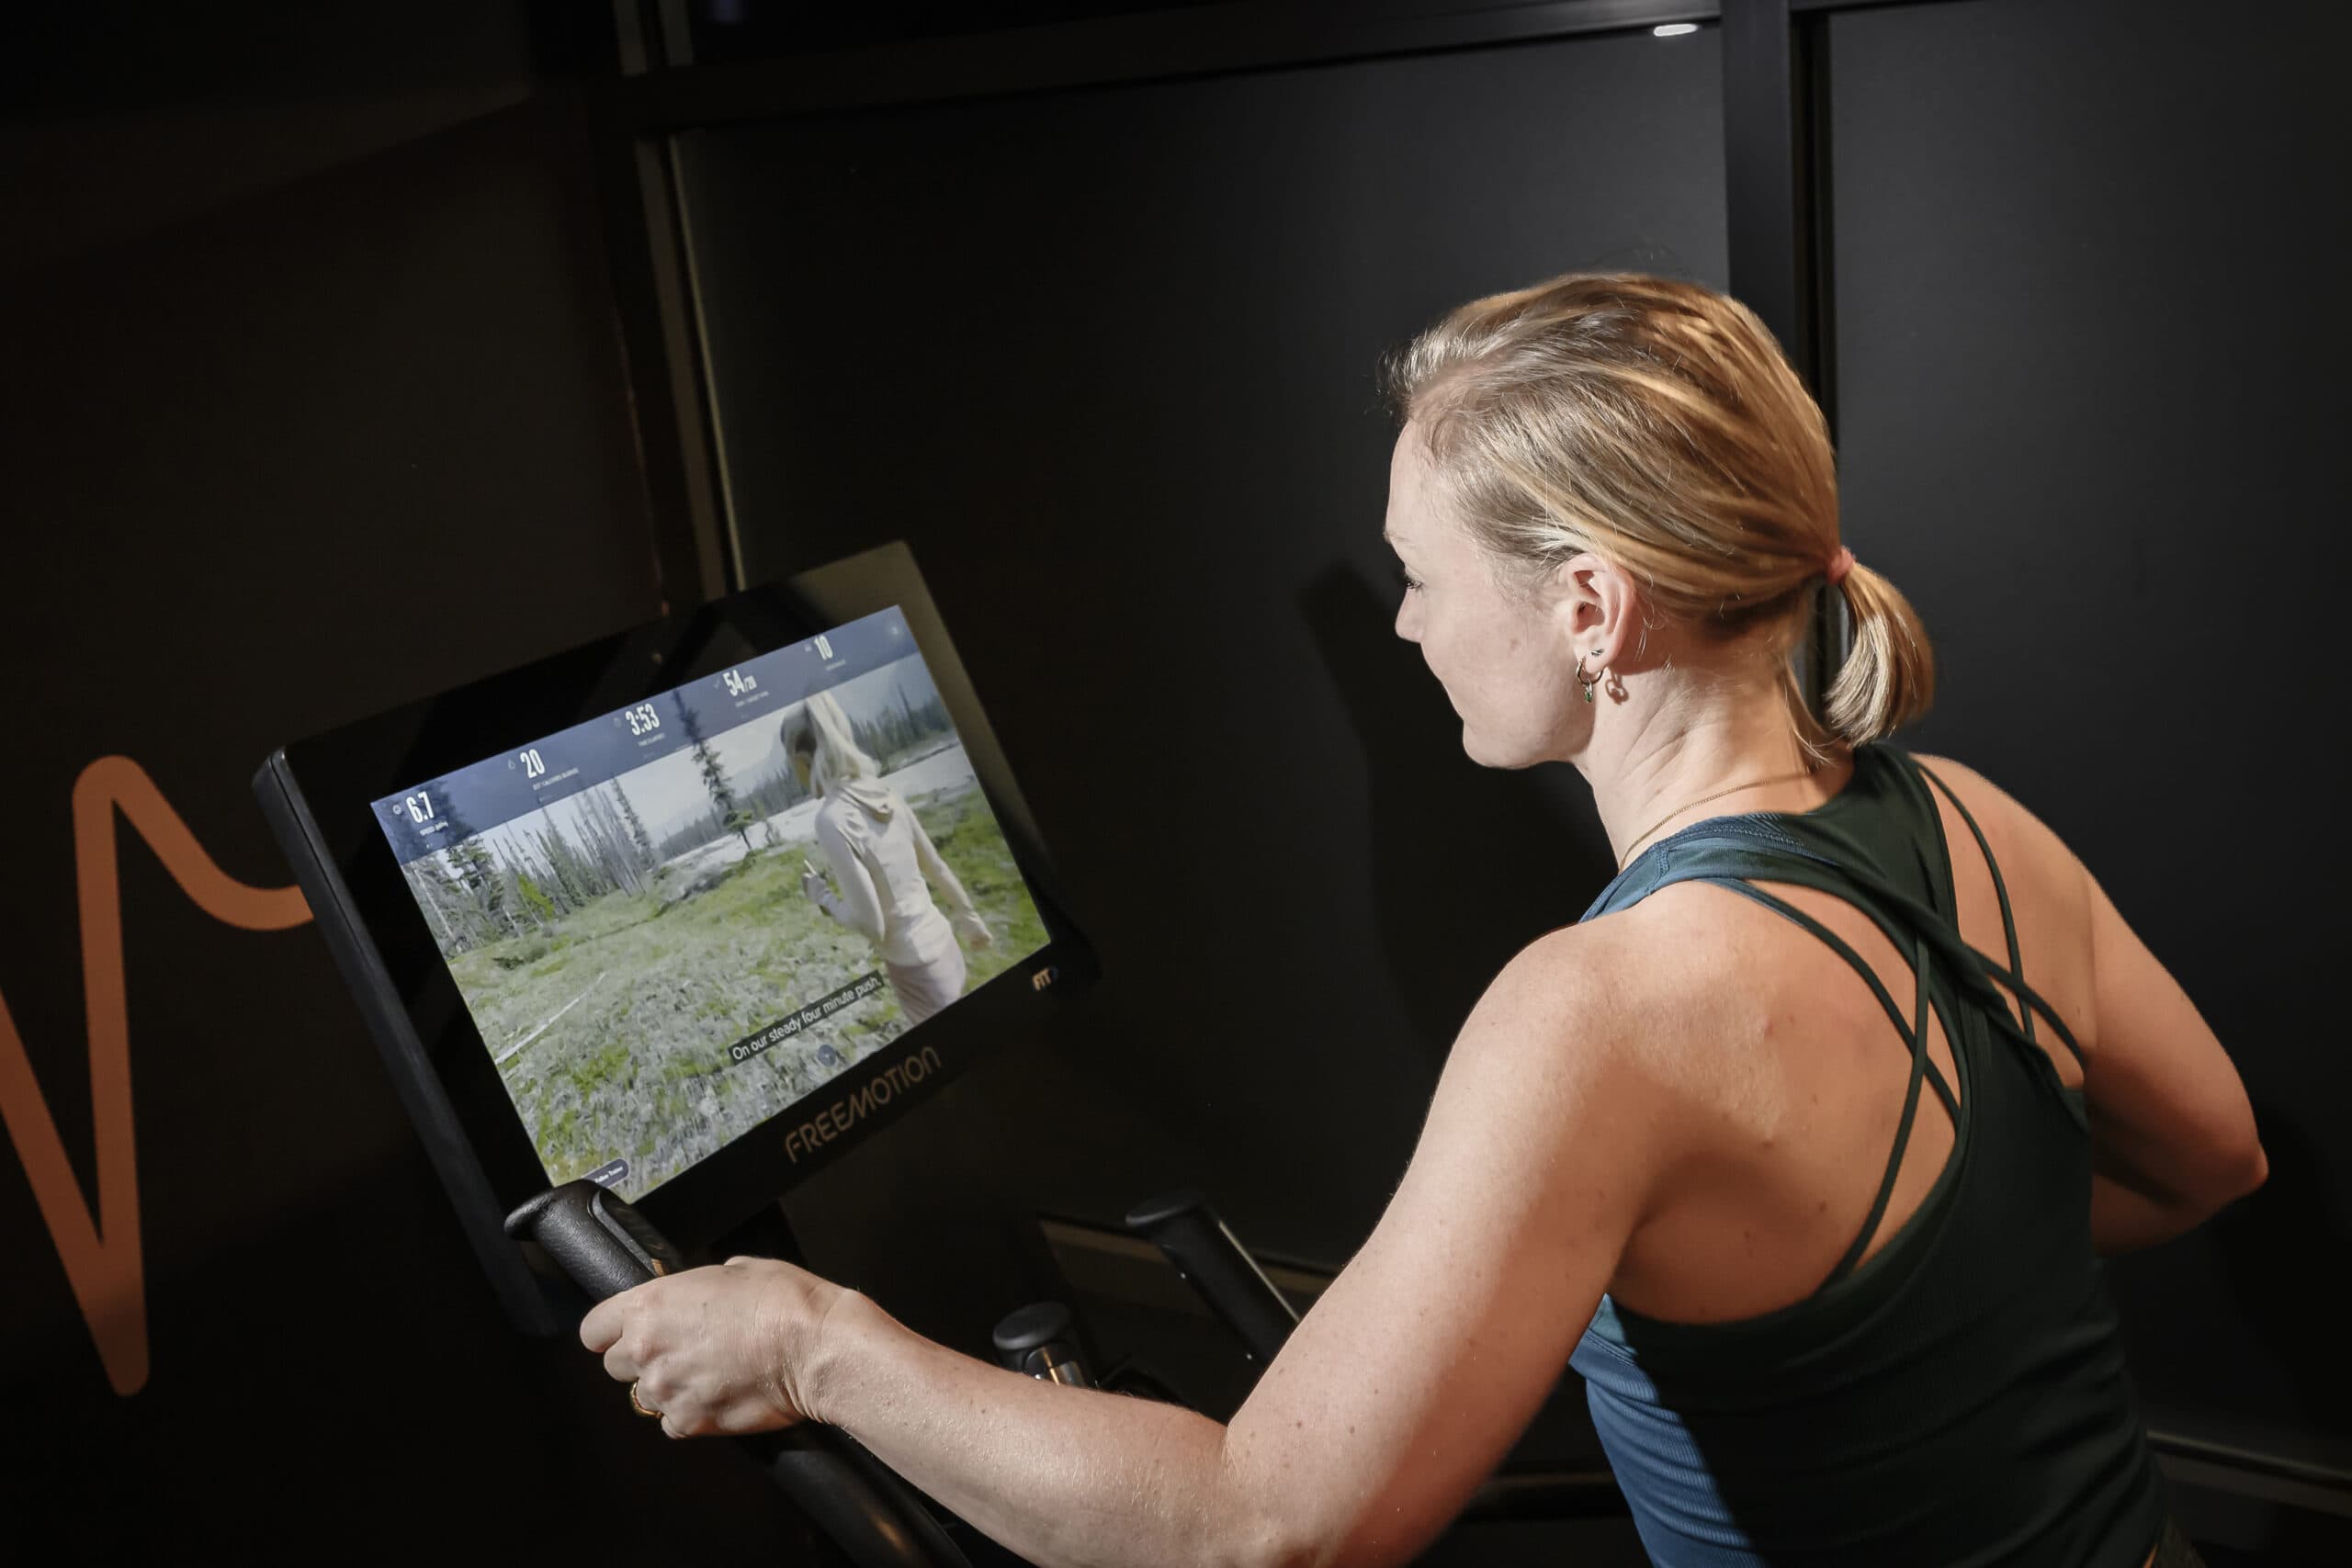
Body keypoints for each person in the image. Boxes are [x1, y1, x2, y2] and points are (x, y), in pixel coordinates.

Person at [582, 274, 2265, 1568]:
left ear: (1591, 604)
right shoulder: (1976, 825)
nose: (1403, 622)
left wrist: (818, 1341)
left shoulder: (1605, 1009)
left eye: (1426, 571)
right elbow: (2209, 1160)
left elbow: (1266, 1524)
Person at [781, 691, 992, 1027]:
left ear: (803, 759)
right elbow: (936, 866)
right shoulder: (884, 791)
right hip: (946, 947)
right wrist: (968, 916)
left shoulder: (832, 819)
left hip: (916, 970)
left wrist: (821, 896)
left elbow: (873, 927)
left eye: (789, 761)